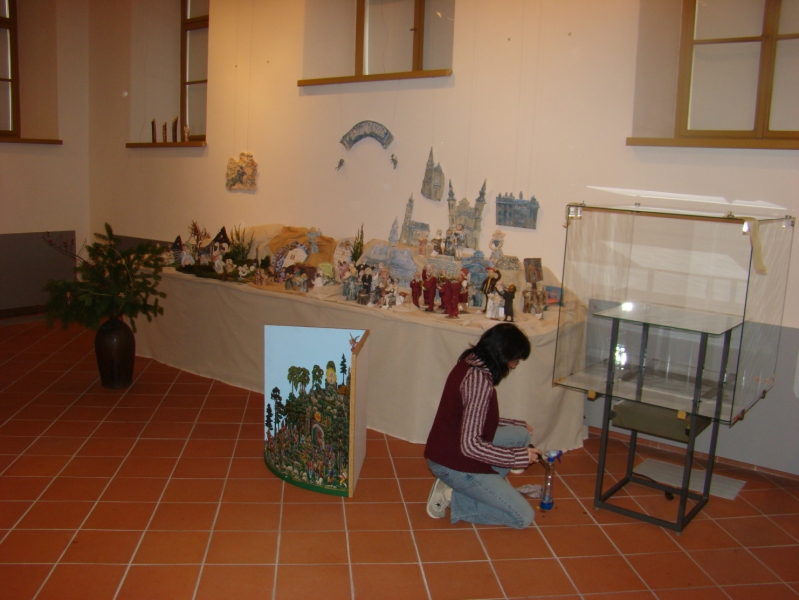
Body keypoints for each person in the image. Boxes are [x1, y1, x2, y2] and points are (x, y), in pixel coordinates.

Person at [424, 323, 542, 529]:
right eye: (514, 360)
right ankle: (453, 497)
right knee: (523, 517)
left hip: (450, 447)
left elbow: (473, 416)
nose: (514, 366)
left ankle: (472, 489)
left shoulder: (471, 363)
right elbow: (471, 446)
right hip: (452, 460)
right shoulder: (478, 381)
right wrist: (518, 457)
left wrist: (515, 424)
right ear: (501, 354)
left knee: (521, 435)